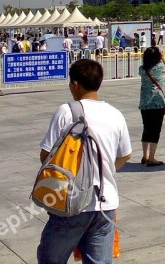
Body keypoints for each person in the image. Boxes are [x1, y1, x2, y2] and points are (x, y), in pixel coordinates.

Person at [37, 59, 132, 264]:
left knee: (50, 259)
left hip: (71, 203)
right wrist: (105, 169)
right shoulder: (116, 114)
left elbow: (46, 155)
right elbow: (126, 154)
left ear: (75, 85)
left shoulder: (67, 111)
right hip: (105, 205)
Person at [139, 46, 165, 167]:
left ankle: (145, 155)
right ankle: (152, 158)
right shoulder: (159, 68)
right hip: (157, 102)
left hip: (144, 103)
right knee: (155, 130)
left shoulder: (142, 69)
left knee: (146, 128)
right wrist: (164, 58)